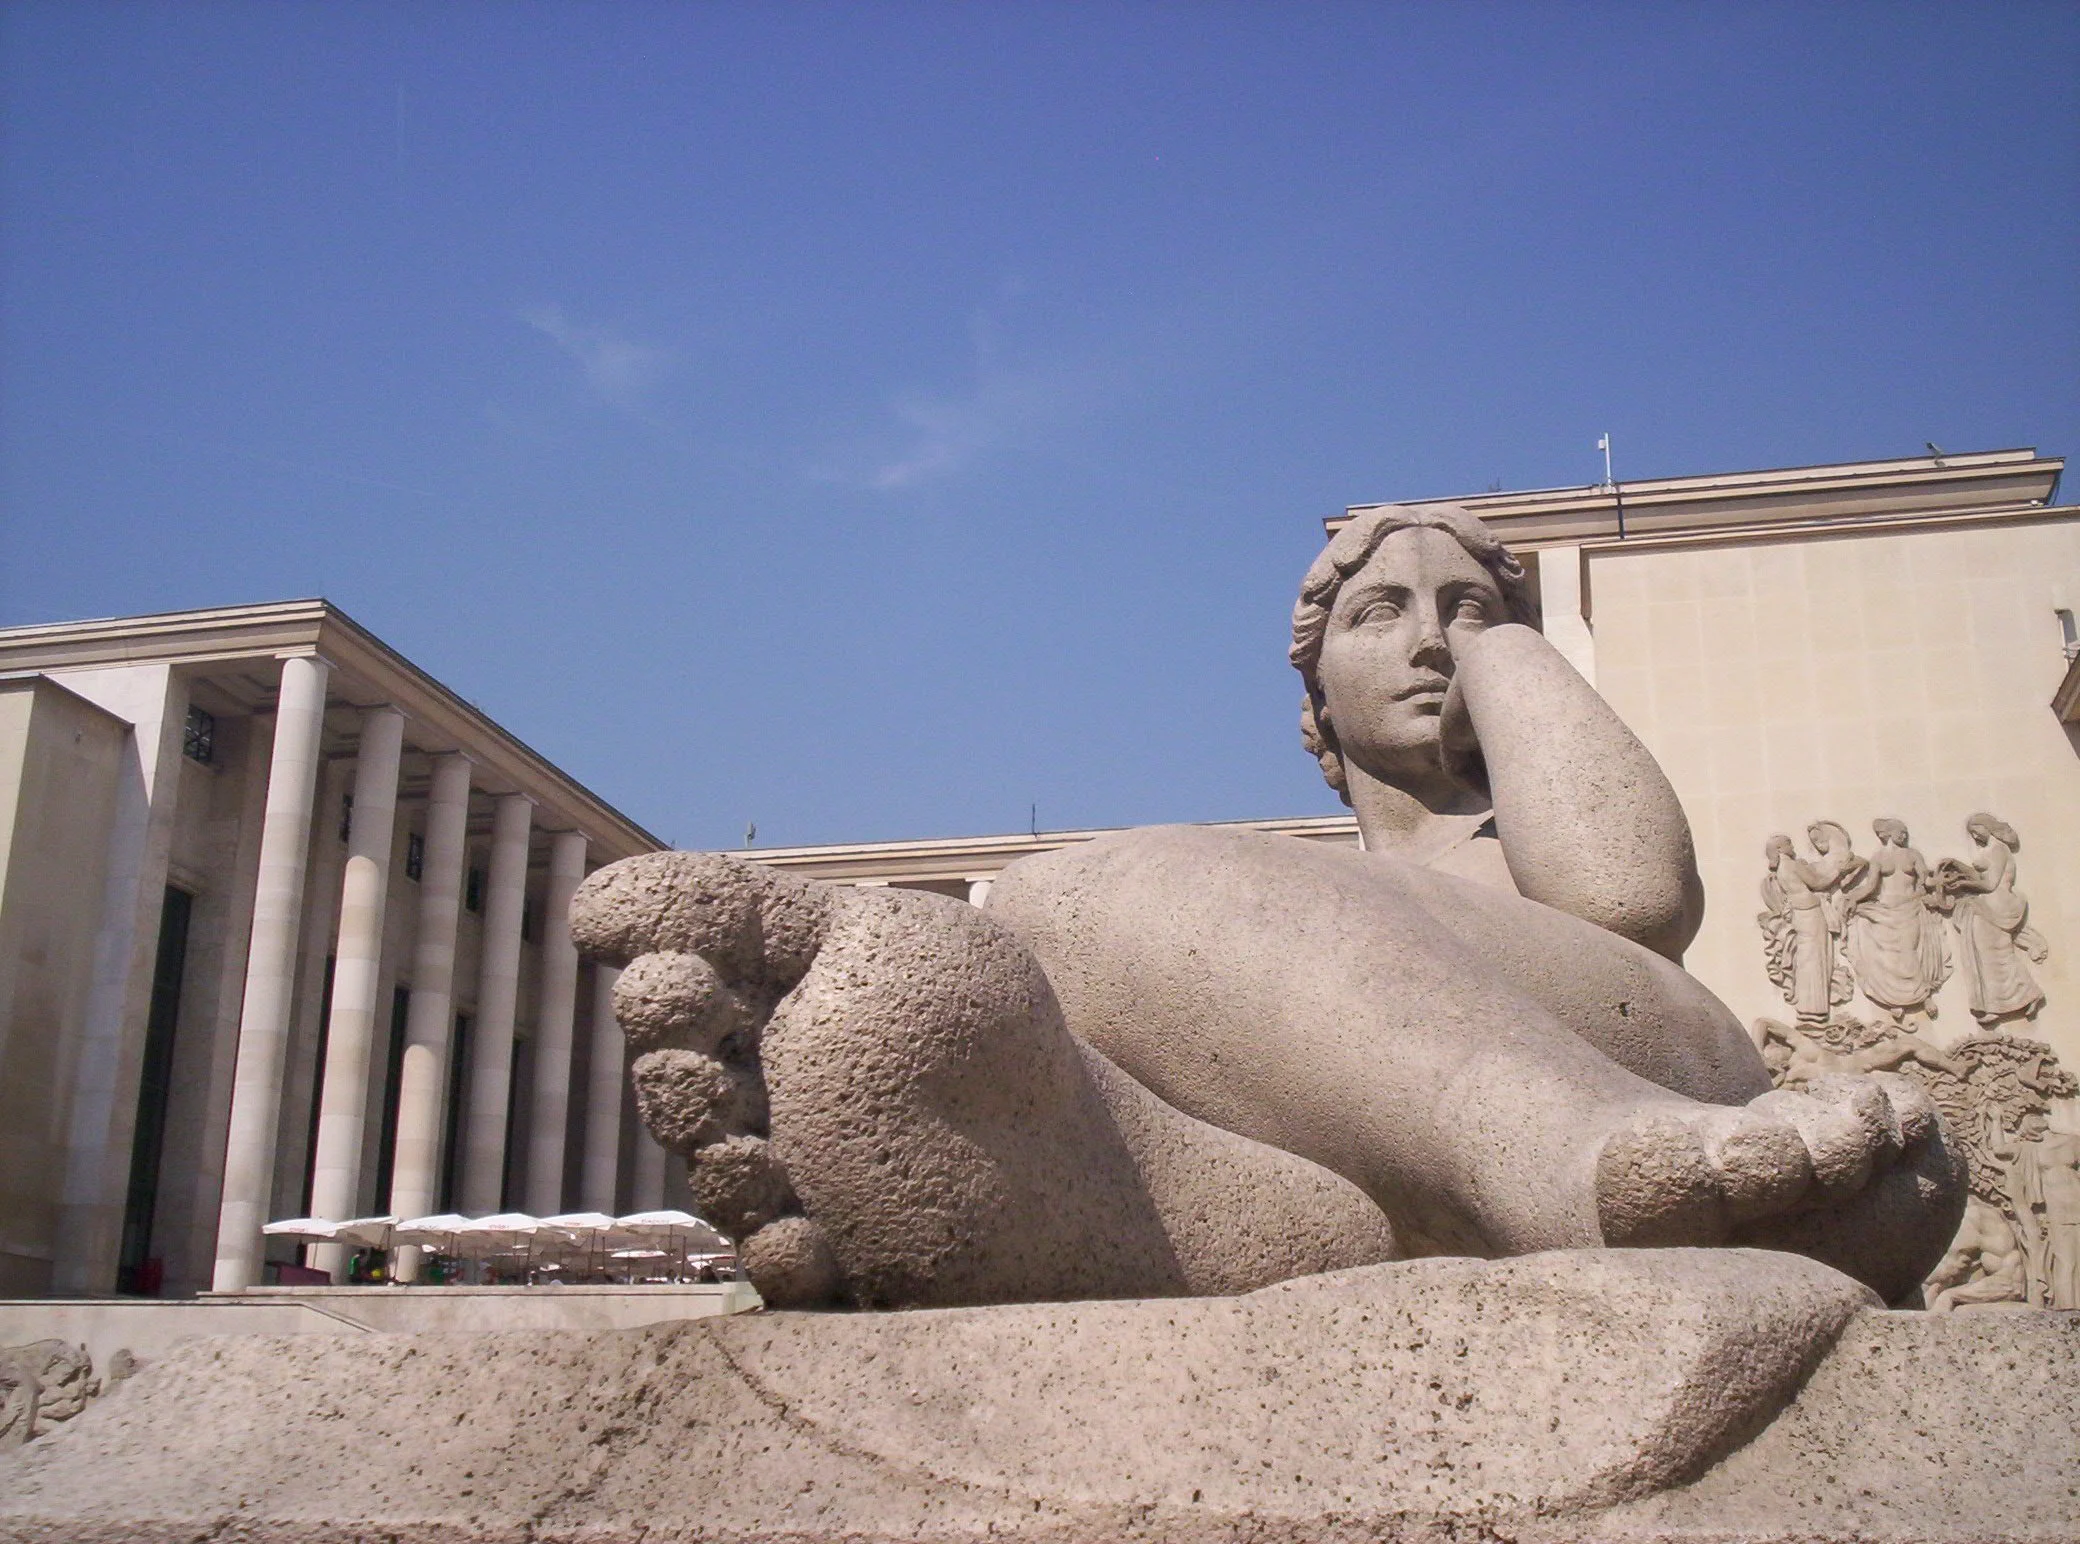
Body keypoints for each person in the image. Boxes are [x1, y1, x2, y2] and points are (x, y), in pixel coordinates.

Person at [573, 503, 1964, 1311]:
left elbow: (1630, 892)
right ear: (1313, 699)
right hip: (1360, 1174)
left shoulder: (1503, 843)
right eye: (1385, 614)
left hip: (1637, 1069)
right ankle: (1003, 1154)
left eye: (1465, 609)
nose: (1433, 636)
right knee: (1273, 1197)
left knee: (1096, 894)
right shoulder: (1308, 915)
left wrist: (1508, 645)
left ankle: (1582, 1163)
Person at [1940, 814, 2048, 1026]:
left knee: (1996, 955)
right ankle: (2004, 1002)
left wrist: (1962, 884)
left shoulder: (1998, 849)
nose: (1974, 835)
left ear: (1987, 827)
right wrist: (1959, 867)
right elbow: (1981, 877)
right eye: (1971, 832)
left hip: (1996, 904)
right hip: (1987, 904)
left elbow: (1989, 884)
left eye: (1976, 830)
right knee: (1987, 955)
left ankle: (2021, 997)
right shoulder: (1990, 850)